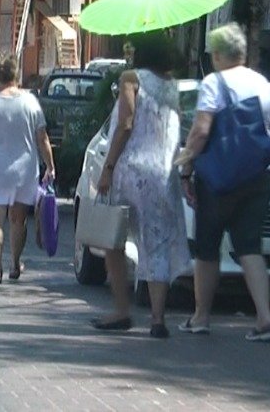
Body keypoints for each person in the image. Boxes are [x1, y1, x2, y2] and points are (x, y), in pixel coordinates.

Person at [175, 23, 270, 342]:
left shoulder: (214, 83)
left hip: (219, 180)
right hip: (259, 177)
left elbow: (202, 130)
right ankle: (264, 318)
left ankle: (201, 316)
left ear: (218, 54)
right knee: (249, 245)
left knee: (207, 248)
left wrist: (185, 167)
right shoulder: (260, 82)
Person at [91, 31, 190, 339]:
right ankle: (158, 320)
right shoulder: (172, 86)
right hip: (162, 173)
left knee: (113, 238)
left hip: (131, 169)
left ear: (140, 52)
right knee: (156, 243)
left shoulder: (130, 78)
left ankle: (122, 309)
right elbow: (175, 129)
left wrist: (107, 167)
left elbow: (125, 123)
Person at [0, 54, 56, 284]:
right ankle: (15, 263)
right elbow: (42, 137)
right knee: (18, 220)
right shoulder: (30, 103)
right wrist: (50, 165)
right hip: (23, 171)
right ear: (17, 73)